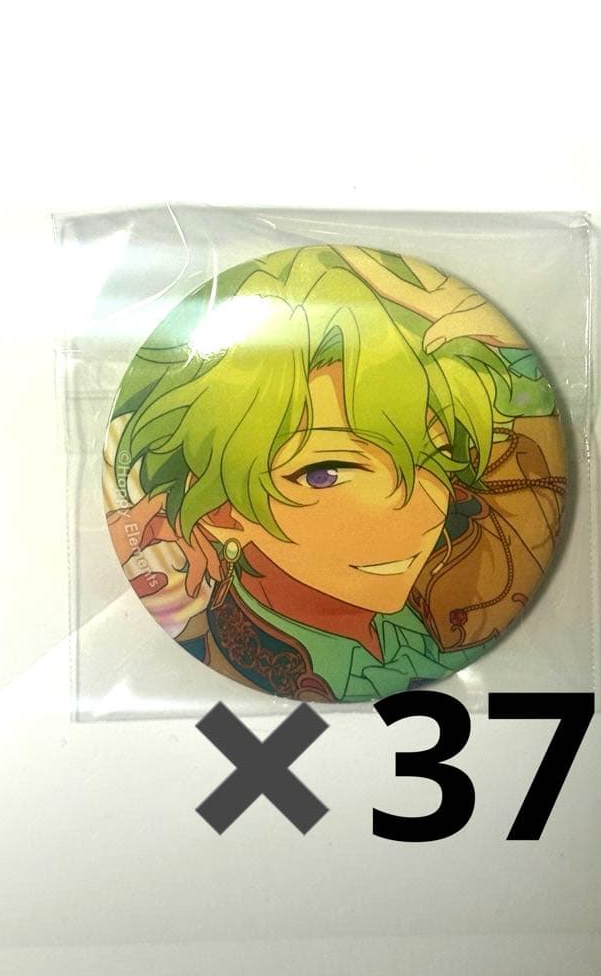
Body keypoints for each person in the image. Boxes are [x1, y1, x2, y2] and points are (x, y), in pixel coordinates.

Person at [104, 245, 566, 702]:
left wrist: (490, 341)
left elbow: (535, 439)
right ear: (222, 515)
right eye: (324, 474)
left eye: (435, 455)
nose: (421, 515)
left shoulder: (444, 598)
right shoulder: (218, 659)